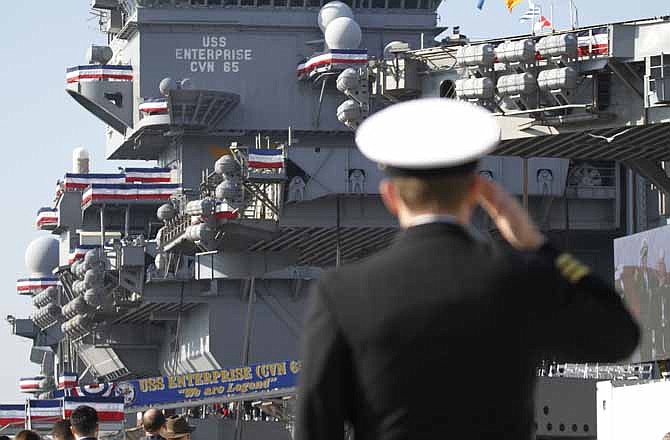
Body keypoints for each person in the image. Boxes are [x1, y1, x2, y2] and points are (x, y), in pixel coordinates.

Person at [295, 98, 640, 440]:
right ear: (477, 190)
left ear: (389, 195)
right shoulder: (516, 277)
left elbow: (315, 426)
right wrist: (540, 247)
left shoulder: (341, 292)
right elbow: (619, 337)